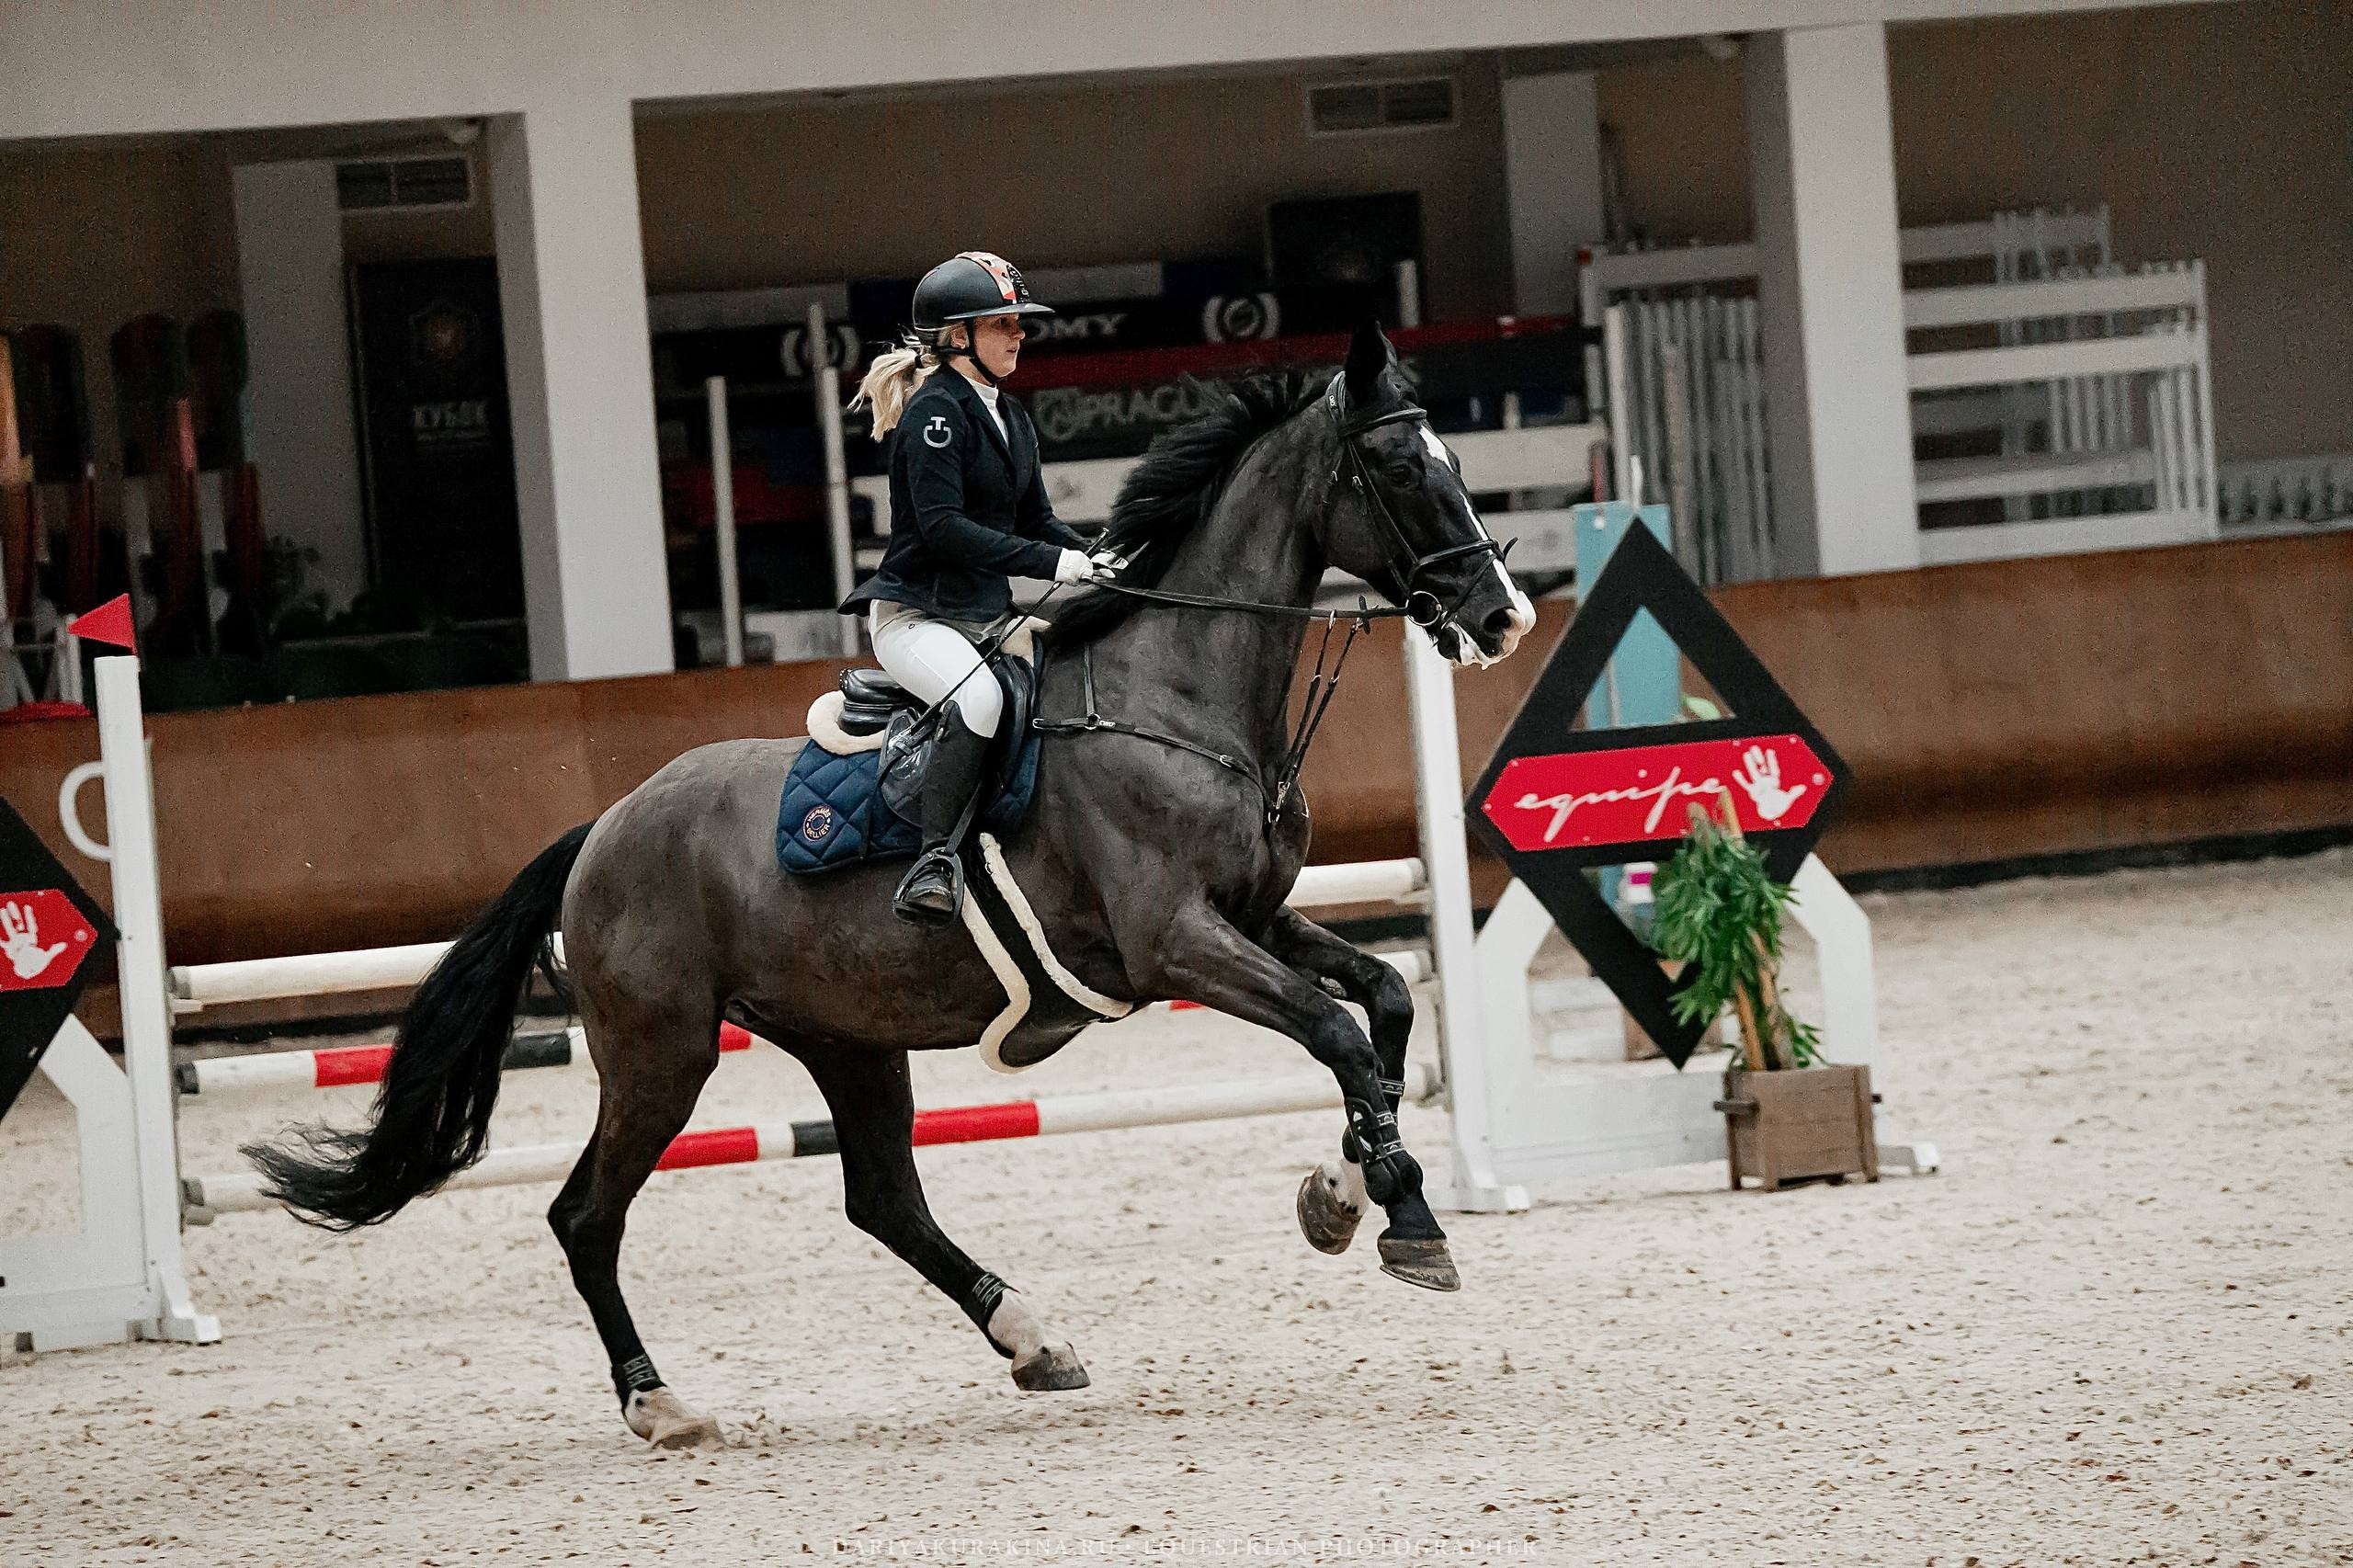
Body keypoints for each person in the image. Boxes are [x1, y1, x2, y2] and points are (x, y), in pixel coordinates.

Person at [842, 251, 1123, 925]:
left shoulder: (1010, 416)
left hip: (984, 616)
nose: (1019, 335)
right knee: (980, 699)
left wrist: (1097, 556)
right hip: (918, 617)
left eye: (1019, 324)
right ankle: (933, 859)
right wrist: (1055, 566)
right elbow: (944, 530)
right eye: (1003, 324)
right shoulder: (934, 416)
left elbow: (1037, 519)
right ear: (957, 336)